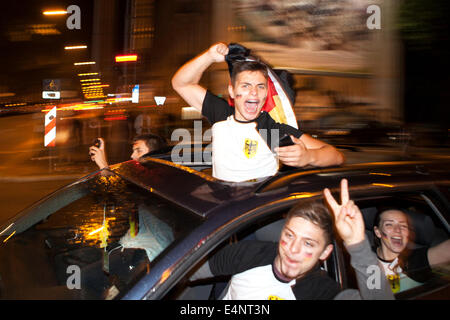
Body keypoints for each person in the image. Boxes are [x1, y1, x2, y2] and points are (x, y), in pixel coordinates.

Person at [191, 179, 393, 300]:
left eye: (308, 243)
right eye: (289, 235)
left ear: (325, 253)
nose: (293, 250)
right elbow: (185, 270)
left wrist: (358, 246)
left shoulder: (321, 291)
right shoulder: (250, 254)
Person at [171, 42, 344, 182]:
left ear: (266, 93)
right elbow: (181, 83)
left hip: (254, 216)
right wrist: (208, 57)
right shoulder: (221, 114)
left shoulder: (271, 129)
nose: (253, 92)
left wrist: (309, 156)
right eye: (245, 86)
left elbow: (336, 156)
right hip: (222, 211)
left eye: (260, 86)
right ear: (232, 91)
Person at [373, 208, 450, 293]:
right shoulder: (364, 257)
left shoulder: (414, 260)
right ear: (378, 232)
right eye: (389, 225)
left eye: (403, 226)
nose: (398, 230)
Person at [89, 133, 168, 169]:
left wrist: (103, 165)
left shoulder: (158, 177)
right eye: (133, 151)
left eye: (139, 151)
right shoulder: (136, 172)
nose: (132, 156)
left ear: (154, 154)